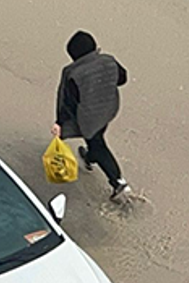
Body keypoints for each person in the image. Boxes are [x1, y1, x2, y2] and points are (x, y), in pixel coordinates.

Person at [50, 31, 133, 202]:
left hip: (89, 117)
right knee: (97, 136)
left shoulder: (72, 72)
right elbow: (122, 79)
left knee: (97, 143)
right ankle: (89, 157)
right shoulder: (109, 60)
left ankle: (119, 183)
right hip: (110, 108)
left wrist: (60, 122)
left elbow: (68, 102)